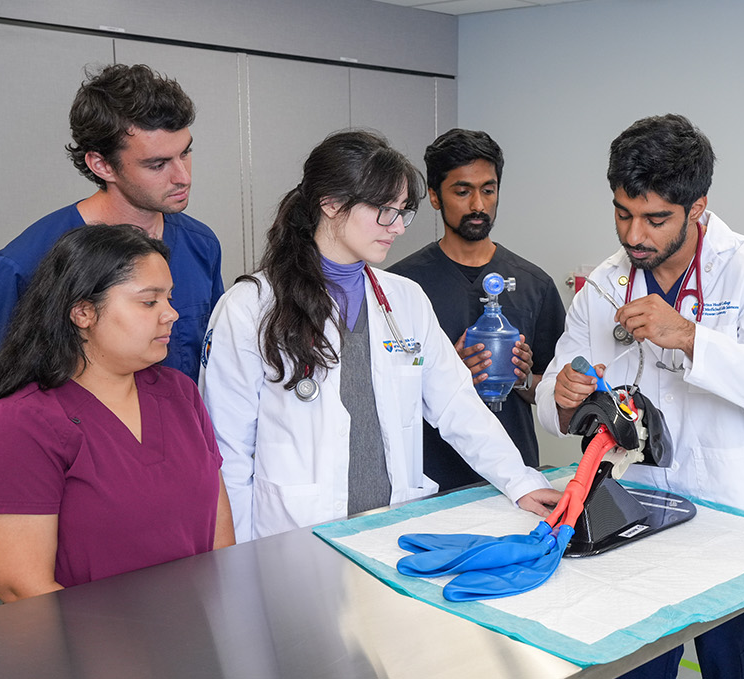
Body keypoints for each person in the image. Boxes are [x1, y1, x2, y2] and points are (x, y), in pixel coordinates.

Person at [536, 114, 744, 679]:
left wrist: (691, 338)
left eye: (655, 219)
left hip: (730, 523)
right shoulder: (605, 286)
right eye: (623, 213)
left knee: (734, 669)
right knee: (635, 669)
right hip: (633, 522)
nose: (635, 235)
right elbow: (553, 400)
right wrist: (562, 395)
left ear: (697, 207)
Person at [200, 129, 560, 543]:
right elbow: (227, 451)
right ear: (331, 203)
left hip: (392, 532)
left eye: (403, 211)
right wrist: (238, 559)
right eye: (383, 211)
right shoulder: (250, 307)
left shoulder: (404, 299)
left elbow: (456, 404)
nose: (398, 227)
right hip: (290, 537)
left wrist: (520, 481)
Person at [0, 224, 234, 603]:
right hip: (95, 651)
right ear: (83, 312)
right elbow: (22, 587)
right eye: (149, 302)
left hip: (199, 634)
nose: (171, 314)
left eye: (169, 298)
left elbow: (221, 540)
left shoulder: (179, 393)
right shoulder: (19, 423)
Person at [0, 63, 223, 410]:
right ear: (102, 165)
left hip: (179, 452)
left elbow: (211, 368)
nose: (183, 176)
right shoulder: (23, 265)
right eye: (158, 164)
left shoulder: (201, 245)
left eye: (185, 152)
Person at [387, 129, 566, 491]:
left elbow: (552, 394)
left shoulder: (534, 284)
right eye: (462, 191)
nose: (478, 205)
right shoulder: (399, 288)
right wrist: (443, 373)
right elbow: (381, 395)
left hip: (515, 480)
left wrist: (523, 377)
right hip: (430, 479)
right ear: (435, 198)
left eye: (488, 189)